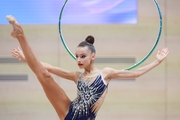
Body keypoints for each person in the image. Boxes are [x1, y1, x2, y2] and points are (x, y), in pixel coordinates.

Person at [8, 15, 169, 120]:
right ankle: (20, 34)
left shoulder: (105, 74)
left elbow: (136, 73)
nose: (78, 59)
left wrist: (157, 61)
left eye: (82, 56)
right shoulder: (76, 76)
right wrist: (25, 59)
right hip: (67, 112)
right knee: (45, 74)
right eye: (77, 56)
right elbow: (49, 67)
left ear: (93, 56)